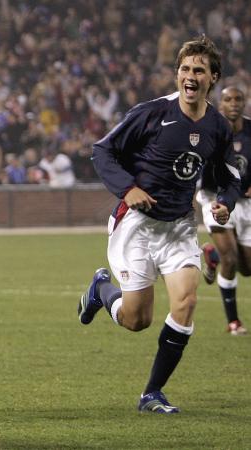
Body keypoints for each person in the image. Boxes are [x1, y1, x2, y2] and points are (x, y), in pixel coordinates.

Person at [78, 36, 241, 414]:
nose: (190, 76)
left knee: (186, 301)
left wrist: (224, 204)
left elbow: (227, 177)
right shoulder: (152, 113)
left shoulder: (217, 126)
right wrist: (128, 188)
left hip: (179, 227)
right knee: (137, 320)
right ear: (177, 74)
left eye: (199, 70)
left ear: (212, 77)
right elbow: (102, 150)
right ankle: (101, 289)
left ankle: (152, 393)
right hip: (136, 224)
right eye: (185, 69)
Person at [196, 86, 249, 336]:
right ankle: (234, 322)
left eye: (238, 99)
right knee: (230, 259)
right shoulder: (210, 130)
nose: (234, 103)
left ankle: (211, 253)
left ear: (245, 102)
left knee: (247, 267)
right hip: (215, 198)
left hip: (246, 204)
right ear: (221, 103)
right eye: (228, 99)